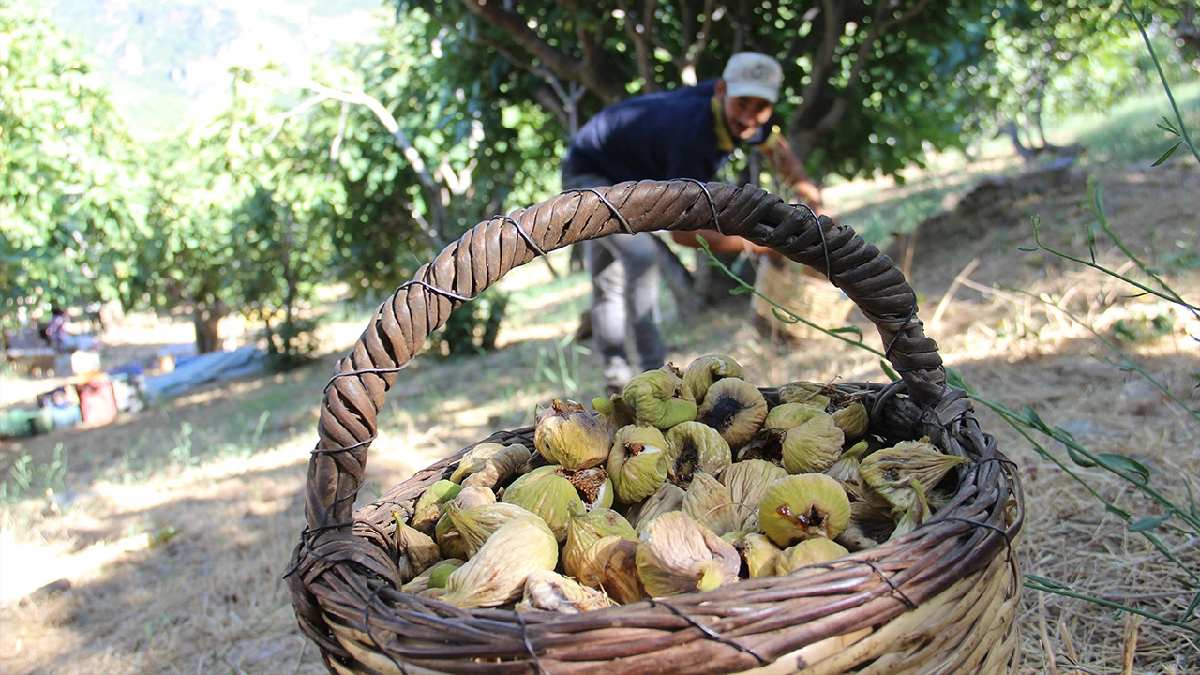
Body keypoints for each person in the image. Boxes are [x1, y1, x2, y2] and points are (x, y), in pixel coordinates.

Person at [561, 52, 824, 391]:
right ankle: (655, 379)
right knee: (639, 257)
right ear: (721, 91)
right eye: (742, 103)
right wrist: (762, 246)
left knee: (610, 275)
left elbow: (776, 147)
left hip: (625, 176)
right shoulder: (692, 133)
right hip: (591, 173)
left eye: (760, 107)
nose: (749, 117)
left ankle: (619, 379)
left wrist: (810, 196)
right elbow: (685, 235)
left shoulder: (743, 118)